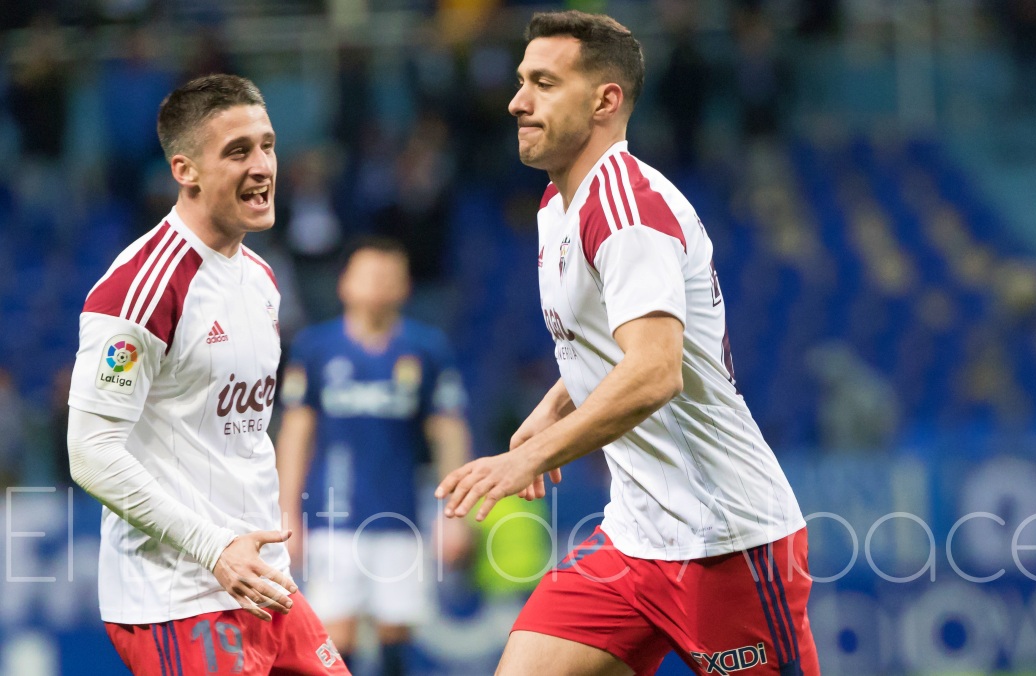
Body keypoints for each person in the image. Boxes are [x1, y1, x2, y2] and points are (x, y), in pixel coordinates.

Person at [436, 11, 820, 676]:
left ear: (605, 100)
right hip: (634, 539)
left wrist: (523, 462)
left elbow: (654, 371)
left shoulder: (626, 209)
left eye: (544, 83)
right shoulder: (559, 208)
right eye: (523, 80)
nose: (516, 100)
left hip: (725, 542)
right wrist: (558, 402)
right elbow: (622, 338)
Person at [66, 74, 349, 675]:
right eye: (238, 151)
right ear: (185, 170)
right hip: (177, 598)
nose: (263, 166)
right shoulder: (142, 287)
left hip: (263, 583)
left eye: (268, 145)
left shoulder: (262, 280)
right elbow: (89, 451)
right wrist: (212, 546)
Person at [276, 237, 473, 675]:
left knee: (395, 638)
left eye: (391, 276)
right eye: (370, 274)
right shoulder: (316, 348)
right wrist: (287, 513)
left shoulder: (426, 350)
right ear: (345, 283)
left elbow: (448, 432)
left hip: (401, 519)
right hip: (332, 517)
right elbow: (296, 433)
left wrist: (454, 514)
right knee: (333, 641)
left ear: (406, 286)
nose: (380, 285)